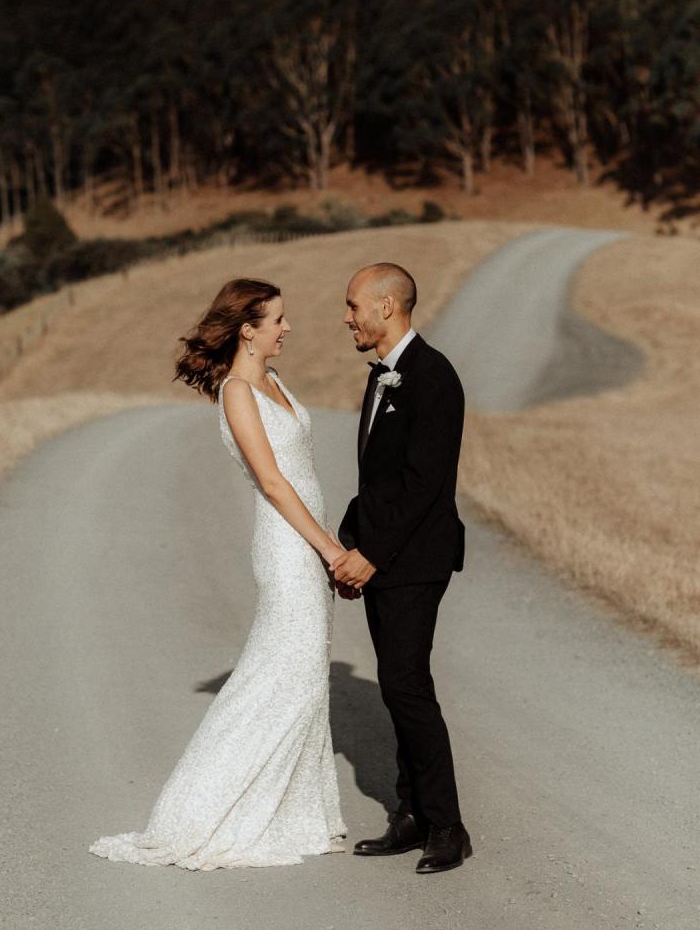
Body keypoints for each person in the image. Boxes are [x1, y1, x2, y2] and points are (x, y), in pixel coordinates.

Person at [89, 278, 346, 871]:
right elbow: (275, 483)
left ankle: (294, 809)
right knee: (286, 675)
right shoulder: (237, 392)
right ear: (247, 329)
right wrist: (330, 550)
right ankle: (204, 812)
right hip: (287, 544)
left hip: (307, 538)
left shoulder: (274, 381)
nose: (288, 329)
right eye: (277, 320)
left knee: (301, 676)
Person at [333, 262, 471, 875]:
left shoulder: (433, 377)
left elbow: (424, 487)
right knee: (395, 685)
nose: (347, 316)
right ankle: (410, 814)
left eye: (353, 304)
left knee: (407, 685)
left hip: (415, 560)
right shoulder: (383, 376)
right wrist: (348, 536)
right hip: (385, 555)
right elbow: (380, 480)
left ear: (387, 307)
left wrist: (371, 554)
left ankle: (447, 825)